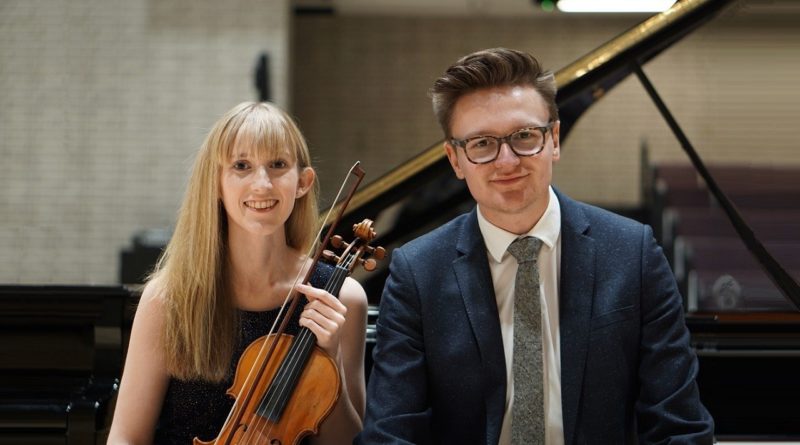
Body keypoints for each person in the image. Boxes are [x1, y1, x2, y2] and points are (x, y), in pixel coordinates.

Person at [356, 48, 713, 444]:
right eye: (481, 144)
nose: (506, 161)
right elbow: (390, 432)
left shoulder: (634, 254)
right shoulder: (417, 272)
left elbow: (680, 427)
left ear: (554, 140)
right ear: (455, 160)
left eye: (524, 136)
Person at [108, 101, 368, 445]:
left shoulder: (342, 298)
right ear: (216, 182)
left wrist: (329, 357)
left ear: (303, 182)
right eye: (242, 166)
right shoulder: (168, 300)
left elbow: (347, 443)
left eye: (277, 165)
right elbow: (126, 437)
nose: (262, 184)